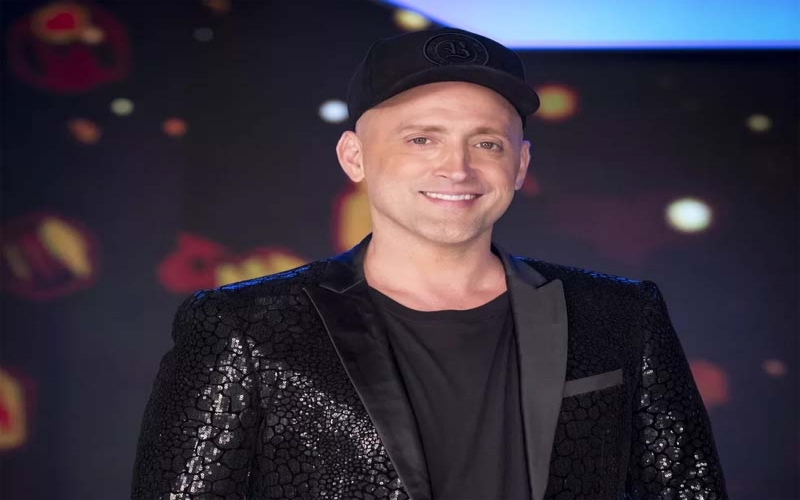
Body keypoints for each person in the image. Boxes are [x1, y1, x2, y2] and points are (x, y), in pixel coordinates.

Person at [131, 27, 728, 500]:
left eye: (486, 143)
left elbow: (689, 490)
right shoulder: (245, 326)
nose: (458, 168)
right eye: (422, 139)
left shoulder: (620, 313)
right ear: (354, 157)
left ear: (520, 165)